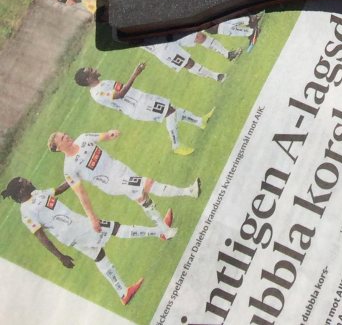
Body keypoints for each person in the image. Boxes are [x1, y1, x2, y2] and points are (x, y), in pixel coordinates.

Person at [2, 175, 168, 305]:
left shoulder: (37, 193)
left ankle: (123, 293)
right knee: (115, 228)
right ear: (20, 191)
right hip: (76, 229)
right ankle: (161, 232)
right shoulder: (26, 212)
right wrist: (60, 256)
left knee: (99, 255)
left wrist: (73, 175)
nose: (29, 182)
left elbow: (59, 189)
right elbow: (41, 236)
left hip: (74, 230)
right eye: (25, 182)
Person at [48, 130, 198, 230]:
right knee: (148, 184)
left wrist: (110, 134)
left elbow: (103, 136)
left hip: (119, 167)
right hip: (111, 182)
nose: (66, 136)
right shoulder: (69, 169)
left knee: (142, 197)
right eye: (62, 138)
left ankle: (164, 230)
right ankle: (189, 191)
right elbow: (81, 194)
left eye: (64, 134)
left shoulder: (83, 138)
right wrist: (92, 218)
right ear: (58, 148)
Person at [74, 63, 212, 157]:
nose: (94, 69)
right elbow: (120, 94)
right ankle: (177, 146)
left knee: (171, 110)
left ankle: (200, 121)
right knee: (170, 112)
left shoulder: (102, 83)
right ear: (88, 79)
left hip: (141, 99)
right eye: (91, 70)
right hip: (138, 106)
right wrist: (135, 74)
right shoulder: (97, 93)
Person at [145, 32, 242, 80]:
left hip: (170, 32)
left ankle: (228, 54)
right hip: (161, 47)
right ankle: (216, 76)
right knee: (188, 63)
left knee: (199, 36)